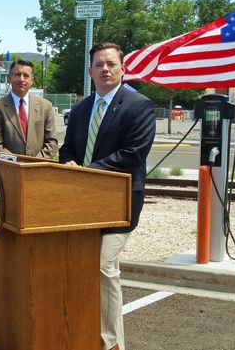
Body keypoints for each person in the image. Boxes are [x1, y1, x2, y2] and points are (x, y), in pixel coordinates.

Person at [59, 43, 156, 350]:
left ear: (122, 68)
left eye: (111, 63)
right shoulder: (80, 109)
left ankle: (111, 343)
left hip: (119, 202)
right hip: (82, 204)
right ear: (90, 71)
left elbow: (133, 154)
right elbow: (67, 150)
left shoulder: (139, 105)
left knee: (103, 267)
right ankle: (83, 334)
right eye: (98, 64)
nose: (105, 69)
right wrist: (67, 164)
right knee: (80, 267)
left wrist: (87, 171)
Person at [0, 59, 58, 303]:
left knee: (33, 236)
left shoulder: (44, 106)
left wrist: (32, 165)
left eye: (26, 75)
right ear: (9, 78)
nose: (21, 79)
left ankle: (28, 286)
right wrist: (16, 166)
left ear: (32, 80)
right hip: (6, 182)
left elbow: (52, 142)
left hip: (36, 181)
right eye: (16, 75)